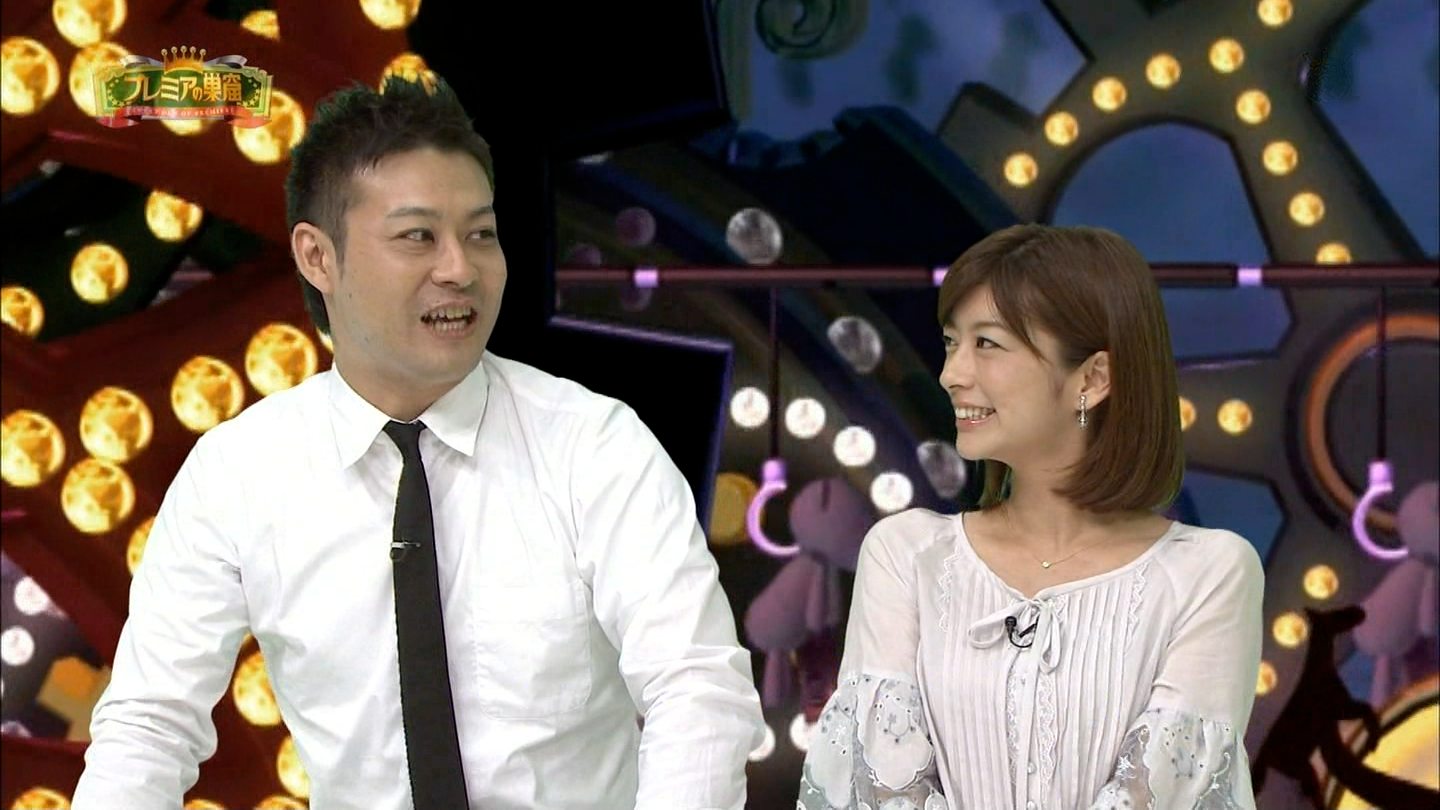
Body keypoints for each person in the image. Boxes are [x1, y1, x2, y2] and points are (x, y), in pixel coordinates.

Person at [73, 76, 763, 809]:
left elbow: (697, 688)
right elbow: (150, 726)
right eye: (418, 237)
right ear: (317, 256)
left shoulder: (592, 446)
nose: (460, 269)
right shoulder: (238, 473)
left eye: (481, 234)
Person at [797, 224, 1264, 809]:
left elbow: (1162, 796)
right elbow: (880, 792)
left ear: (1092, 378)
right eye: (951, 342)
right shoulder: (906, 554)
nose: (952, 374)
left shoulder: (1209, 572)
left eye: (987, 344)